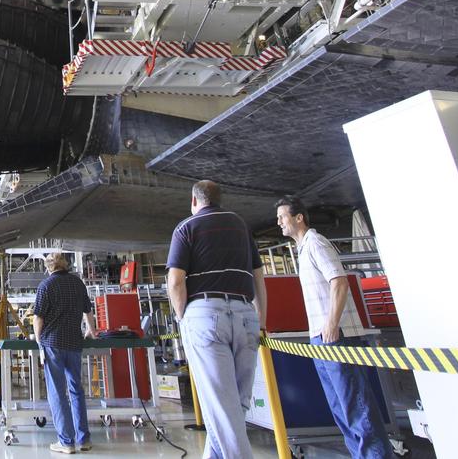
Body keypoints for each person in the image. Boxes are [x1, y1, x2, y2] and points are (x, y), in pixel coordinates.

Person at [276, 196, 393, 459]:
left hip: (336, 337)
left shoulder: (316, 243)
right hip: (321, 338)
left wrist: (331, 324)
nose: (279, 222)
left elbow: (339, 281)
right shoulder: (303, 249)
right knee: (341, 409)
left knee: (356, 408)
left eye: (283, 216)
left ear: (299, 217)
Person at [166, 180, 267, 459]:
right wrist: (262, 321)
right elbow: (259, 276)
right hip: (246, 314)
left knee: (223, 408)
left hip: (205, 314)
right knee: (236, 404)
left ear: (194, 201)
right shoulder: (241, 226)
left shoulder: (186, 227)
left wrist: (182, 317)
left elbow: (175, 281)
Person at [32, 252, 95, 455]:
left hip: (53, 344)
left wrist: (39, 340)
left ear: (49, 267)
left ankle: (66, 441)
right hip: (74, 343)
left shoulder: (46, 286)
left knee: (57, 393)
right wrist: (90, 329)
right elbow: (88, 311)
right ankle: (83, 439)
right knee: (76, 389)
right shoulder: (78, 284)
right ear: (65, 265)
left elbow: (38, 318)